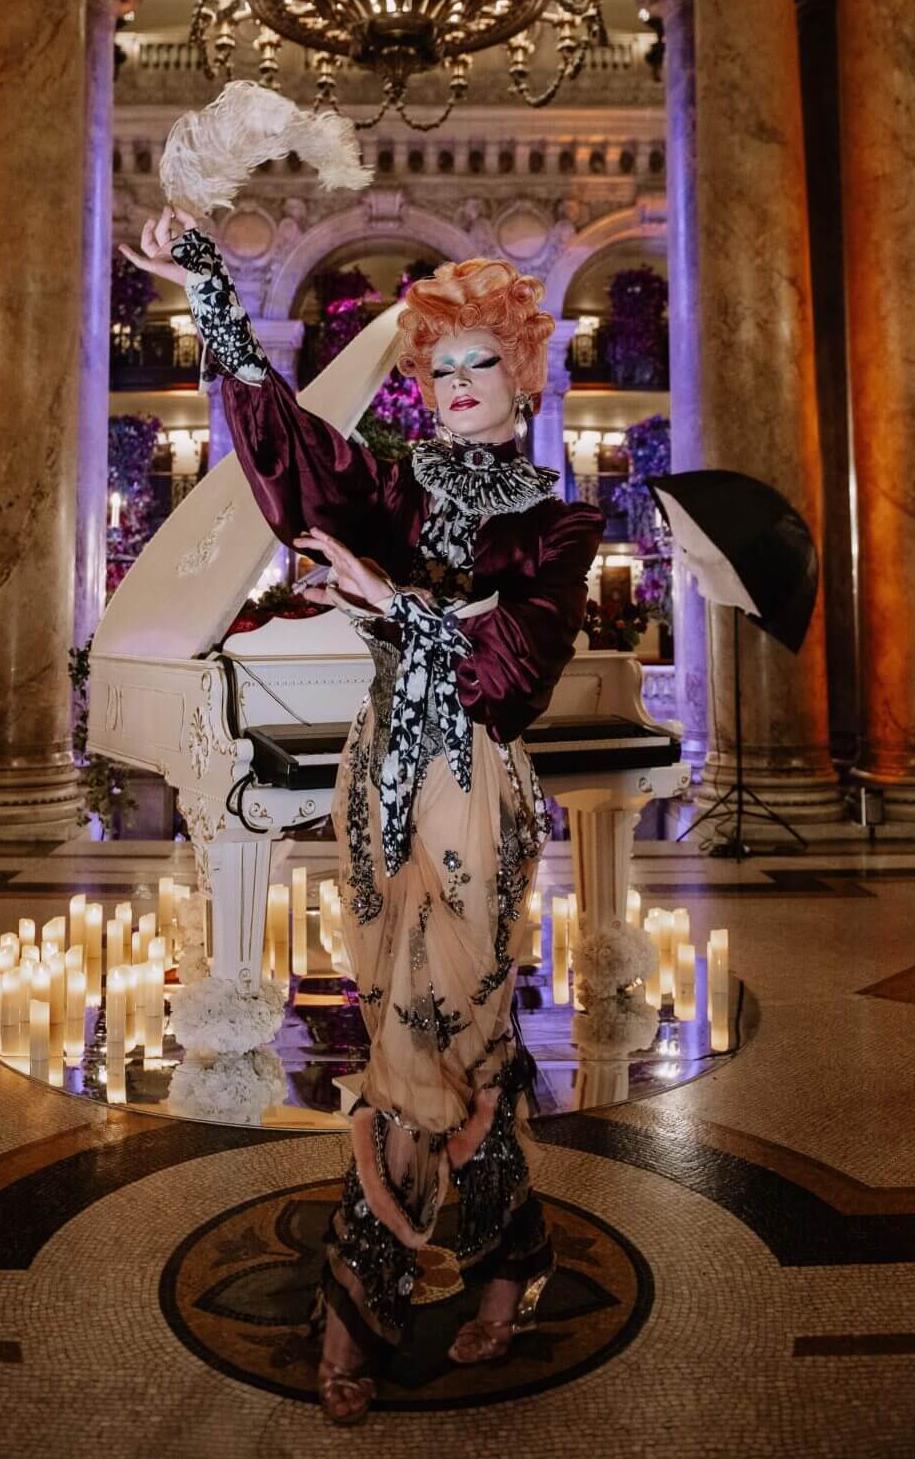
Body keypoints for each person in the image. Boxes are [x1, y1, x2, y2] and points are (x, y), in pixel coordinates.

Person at [123, 206, 602, 1423]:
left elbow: (512, 675)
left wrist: (392, 604)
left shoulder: (558, 526)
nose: (455, 383)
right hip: (376, 779)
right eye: (437, 366)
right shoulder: (391, 492)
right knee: (416, 1026)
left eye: (479, 362)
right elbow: (288, 451)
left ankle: (357, 1304)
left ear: (522, 376)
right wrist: (210, 288)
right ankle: (514, 1257)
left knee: (431, 1038)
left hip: (471, 795)